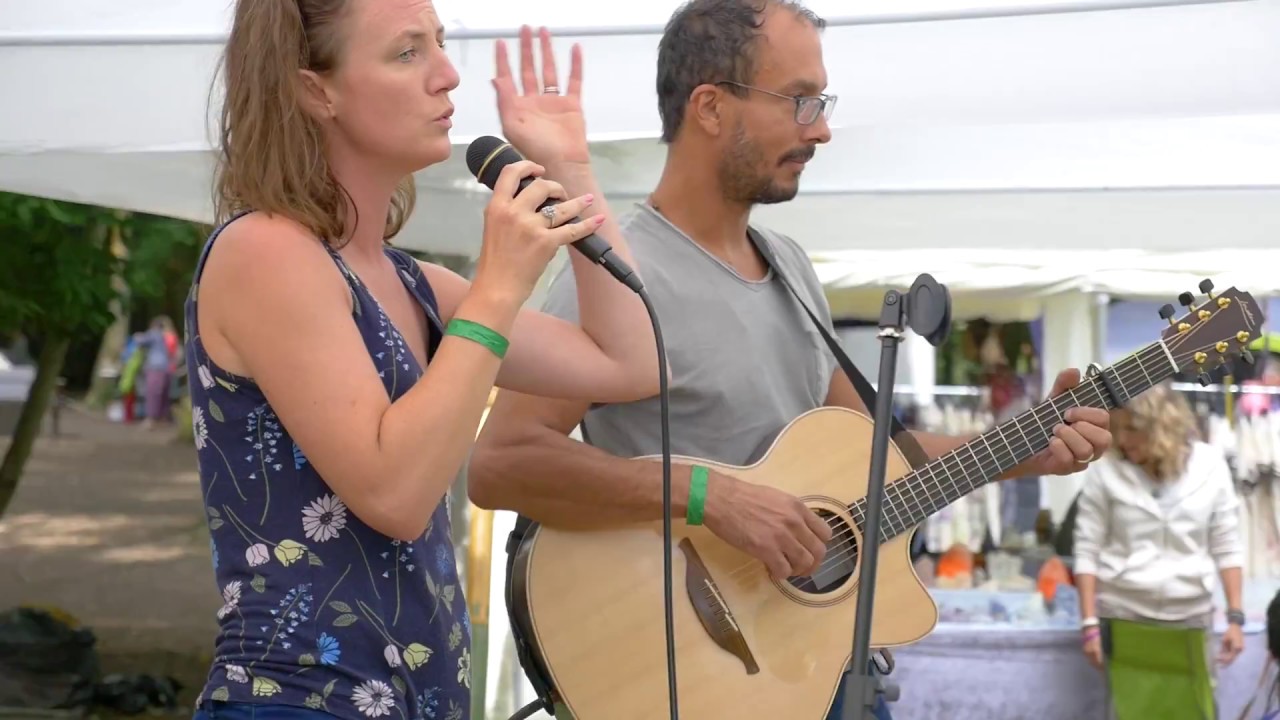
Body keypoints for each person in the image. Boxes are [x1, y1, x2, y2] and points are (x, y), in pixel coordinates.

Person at [467, 1, 1113, 718]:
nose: (822, 129)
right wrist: (710, 496)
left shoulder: (792, 267)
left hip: (817, 668)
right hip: (688, 675)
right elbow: (501, 464)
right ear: (711, 107)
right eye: (801, 100)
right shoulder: (617, 270)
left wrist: (1029, 449)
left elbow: (882, 458)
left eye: (822, 103)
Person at [186, 2, 660, 719]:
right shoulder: (265, 251)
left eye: (439, 44)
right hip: (301, 699)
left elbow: (629, 363)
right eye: (407, 53)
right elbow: (395, 496)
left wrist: (570, 167)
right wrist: (498, 288)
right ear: (316, 90)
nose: (447, 75)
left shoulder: (410, 283)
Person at [1073, 383, 1245, 718]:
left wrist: (1235, 617)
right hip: (1125, 619)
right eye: (1118, 429)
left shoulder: (1210, 467)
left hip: (1189, 620)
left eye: (1132, 429)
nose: (1123, 440)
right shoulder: (1106, 472)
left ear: (1162, 425)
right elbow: (1087, 549)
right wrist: (1089, 624)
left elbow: (1227, 545)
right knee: (1129, 711)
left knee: (1194, 710)